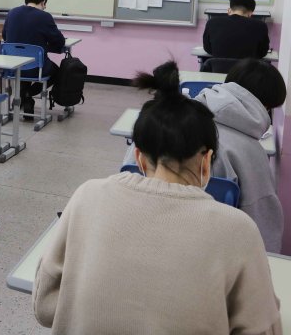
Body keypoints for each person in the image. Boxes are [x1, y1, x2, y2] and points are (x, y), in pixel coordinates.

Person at [34, 60, 281, 334]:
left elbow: (45, 307)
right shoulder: (237, 228)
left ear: (137, 155)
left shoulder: (88, 195)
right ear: (207, 161)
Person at [195, 58, 287, 253]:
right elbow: (263, 223)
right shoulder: (249, 151)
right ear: (266, 105)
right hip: (214, 254)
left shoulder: (167, 122)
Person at [2, 0, 65, 119]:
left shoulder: (12, 13)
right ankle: (28, 95)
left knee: (24, 68)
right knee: (57, 71)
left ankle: (23, 99)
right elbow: (59, 41)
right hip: (36, 68)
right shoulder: (44, 17)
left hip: (13, 67)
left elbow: (4, 36)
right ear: (43, 2)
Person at [202, 0, 270, 59]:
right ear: (250, 13)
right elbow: (262, 53)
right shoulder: (260, 25)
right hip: (247, 69)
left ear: (229, 10)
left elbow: (207, 48)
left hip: (218, 69)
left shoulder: (212, 22)